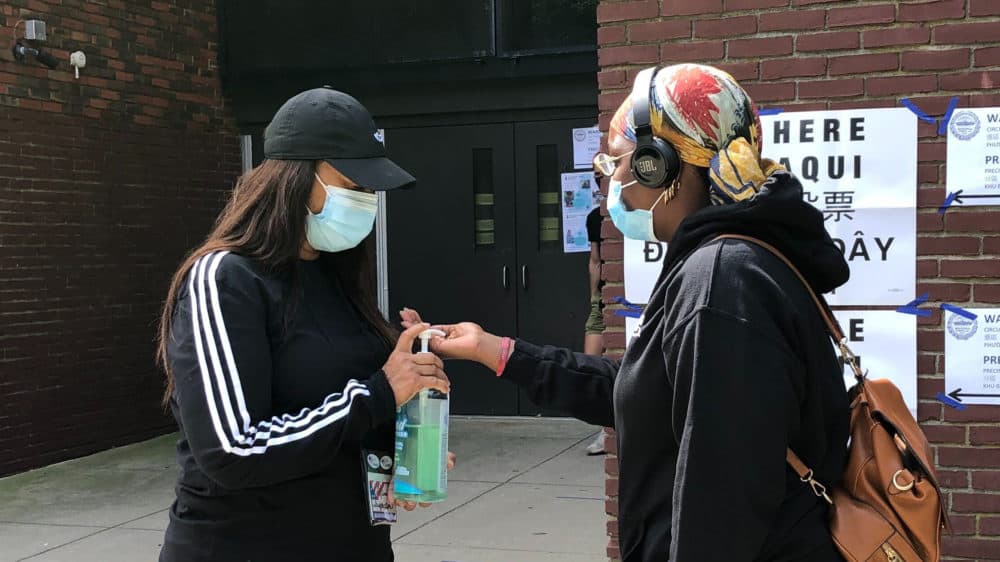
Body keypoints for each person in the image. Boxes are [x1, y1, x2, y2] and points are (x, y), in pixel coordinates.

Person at [404, 64, 850, 561]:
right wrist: (498, 351)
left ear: (658, 165)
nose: (606, 182)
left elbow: (722, 504)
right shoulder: (731, 264)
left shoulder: (722, 281)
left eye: (613, 163)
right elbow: (646, 393)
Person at [156, 87, 452, 562]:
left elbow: (339, 416)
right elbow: (233, 450)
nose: (365, 201)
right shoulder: (225, 278)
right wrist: (379, 392)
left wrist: (399, 451)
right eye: (352, 184)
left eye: (369, 190)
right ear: (295, 177)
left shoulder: (336, 275)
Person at [583, 171, 607, 455]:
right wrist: (594, 298)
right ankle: (603, 425)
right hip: (600, 297)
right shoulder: (594, 218)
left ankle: (607, 432)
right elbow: (595, 260)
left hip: (620, 297)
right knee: (590, 362)